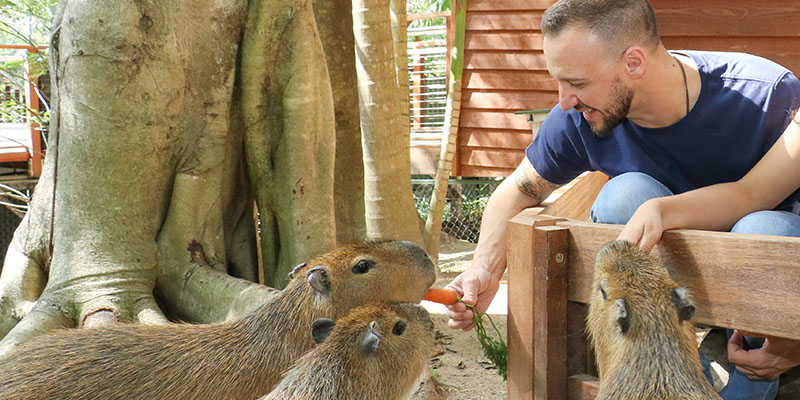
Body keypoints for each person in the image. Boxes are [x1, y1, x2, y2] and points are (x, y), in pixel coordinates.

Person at [443, 0, 800, 398]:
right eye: (559, 81)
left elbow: (753, 196)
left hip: (761, 286)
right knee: (624, 196)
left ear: (633, 62)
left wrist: (793, 333)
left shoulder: (767, 96)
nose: (563, 100)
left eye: (577, 83)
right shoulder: (578, 117)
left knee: (767, 229)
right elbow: (519, 189)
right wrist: (484, 269)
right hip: (666, 294)